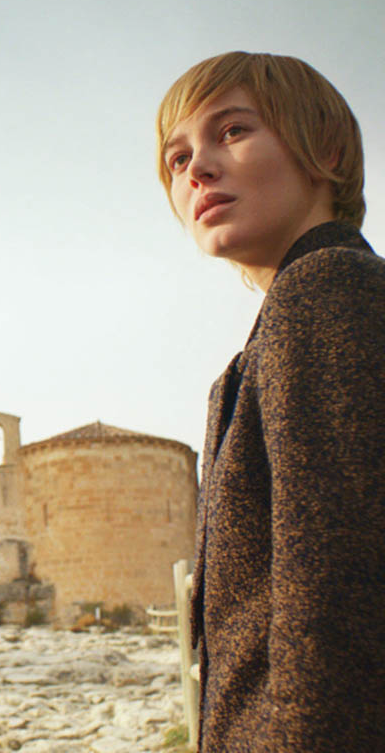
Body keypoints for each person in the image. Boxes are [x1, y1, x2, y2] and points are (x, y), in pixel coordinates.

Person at [156, 51, 385, 750]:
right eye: (176, 158)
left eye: (232, 131)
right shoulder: (281, 328)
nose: (196, 168)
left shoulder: (326, 293)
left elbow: (335, 609)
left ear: (329, 151)